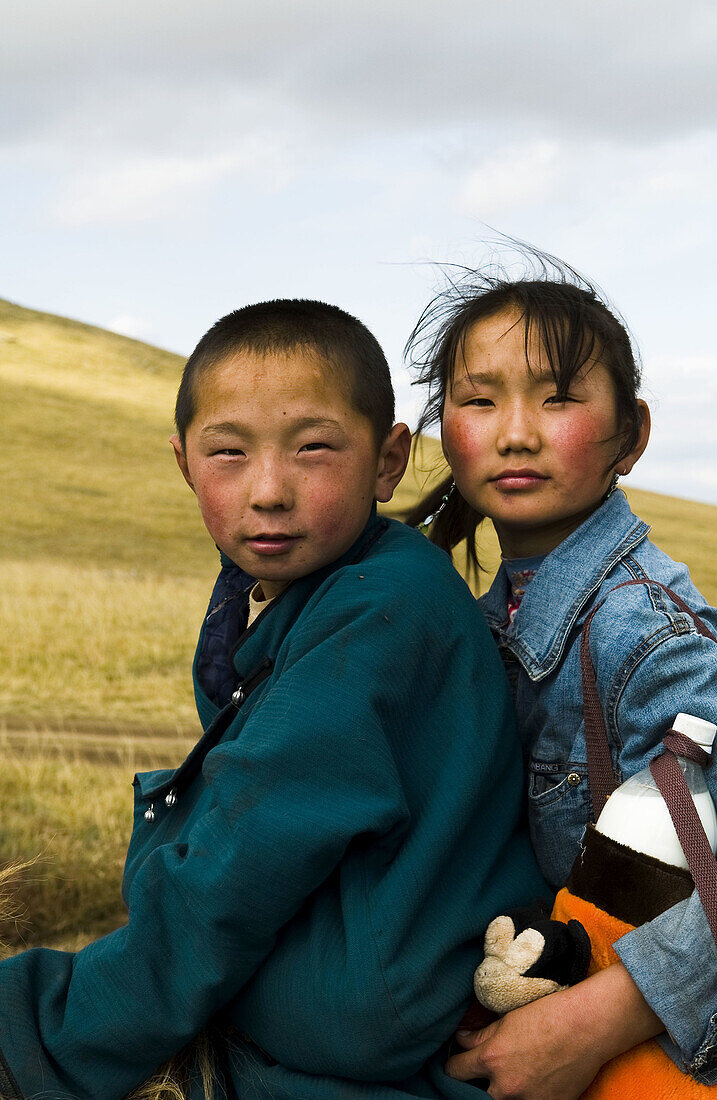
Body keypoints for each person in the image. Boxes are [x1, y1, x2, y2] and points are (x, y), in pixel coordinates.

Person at [0, 298, 547, 1099]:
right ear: (184, 462)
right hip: (347, 1000)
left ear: (388, 460)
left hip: (357, 1037)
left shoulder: (379, 613)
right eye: (228, 453)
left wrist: (39, 1028)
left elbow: (241, 861)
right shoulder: (292, 591)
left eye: (313, 449)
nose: (267, 491)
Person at [406, 265, 717, 1099]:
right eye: (478, 400)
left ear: (632, 433)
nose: (515, 432)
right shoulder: (476, 626)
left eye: (557, 398)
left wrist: (594, 1023)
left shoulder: (645, 635)